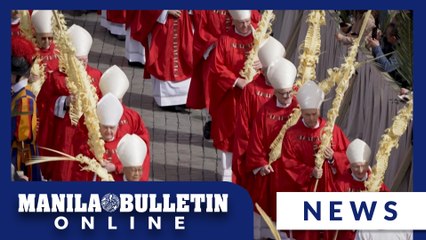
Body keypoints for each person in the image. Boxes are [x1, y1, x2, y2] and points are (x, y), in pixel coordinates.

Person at [278, 80, 350, 240]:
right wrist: (309, 171)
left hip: (327, 192)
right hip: (304, 193)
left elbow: (348, 158)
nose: (311, 118)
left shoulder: (332, 131)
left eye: (314, 114)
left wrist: (333, 158)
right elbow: (287, 163)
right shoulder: (292, 134)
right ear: (301, 112)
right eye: (307, 114)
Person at [245, 57, 298, 240]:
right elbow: (256, 140)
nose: (287, 97)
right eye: (282, 93)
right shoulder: (265, 111)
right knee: (267, 209)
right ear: (274, 91)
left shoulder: (298, 109)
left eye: (289, 92)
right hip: (271, 171)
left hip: (292, 173)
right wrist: (260, 163)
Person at [45, 24, 102, 181]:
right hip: (65, 131)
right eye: (78, 61)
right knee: (64, 168)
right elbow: (44, 104)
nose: (82, 65)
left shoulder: (96, 76)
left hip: (87, 131)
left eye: (84, 61)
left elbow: (104, 103)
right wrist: (65, 101)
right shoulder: (57, 77)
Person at [208, 10, 260, 182]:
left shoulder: (259, 39)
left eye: (247, 21)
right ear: (233, 21)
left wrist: (265, 62)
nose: (246, 26)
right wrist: (236, 81)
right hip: (231, 99)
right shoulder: (225, 41)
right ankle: (228, 174)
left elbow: (276, 61)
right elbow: (216, 68)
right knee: (229, 135)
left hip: (254, 99)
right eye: (241, 23)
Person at [232, 36, 285, 187]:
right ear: (262, 68)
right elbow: (243, 127)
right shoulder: (251, 89)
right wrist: (255, 158)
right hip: (255, 152)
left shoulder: (287, 91)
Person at [99, 65, 151, 181]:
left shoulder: (132, 117)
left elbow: (141, 146)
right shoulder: (92, 115)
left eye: (117, 101)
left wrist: (119, 167)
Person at [141, 10, 194, 111]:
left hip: (183, 22)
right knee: (164, 61)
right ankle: (166, 101)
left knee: (184, 59)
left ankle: (182, 99)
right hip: (164, 24)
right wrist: (166, 10)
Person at [11, 35, 42, 181]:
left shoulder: (25, 100)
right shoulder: (17, 92)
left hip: (18, 159)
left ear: (15, 75)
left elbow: (21, 136)